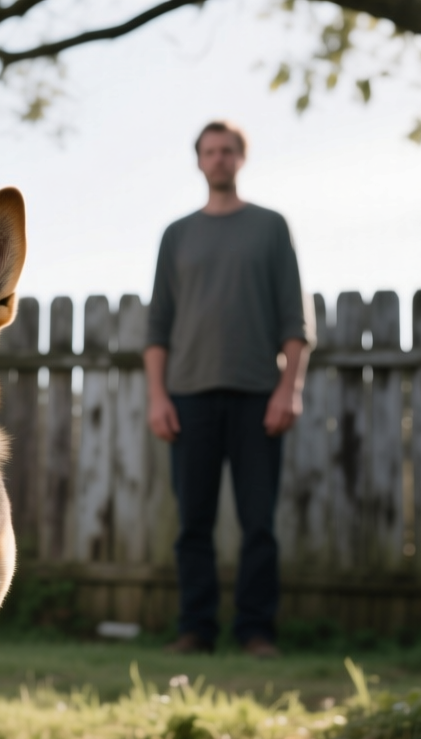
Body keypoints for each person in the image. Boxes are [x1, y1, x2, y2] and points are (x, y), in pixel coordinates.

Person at [144, 120, 313, 658]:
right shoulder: (177, 234)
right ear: (198, 161)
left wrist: (289, 389)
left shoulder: (270, 227)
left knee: (258, 522)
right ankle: (196, 629)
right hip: (188, 397)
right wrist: (158, 396)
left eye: (228, 150)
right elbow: (158, 328)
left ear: (242, 159)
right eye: (210, 151)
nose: (218, 159)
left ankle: (256, 632)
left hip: (258, 397)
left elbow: (295, 322)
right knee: (193, 523)